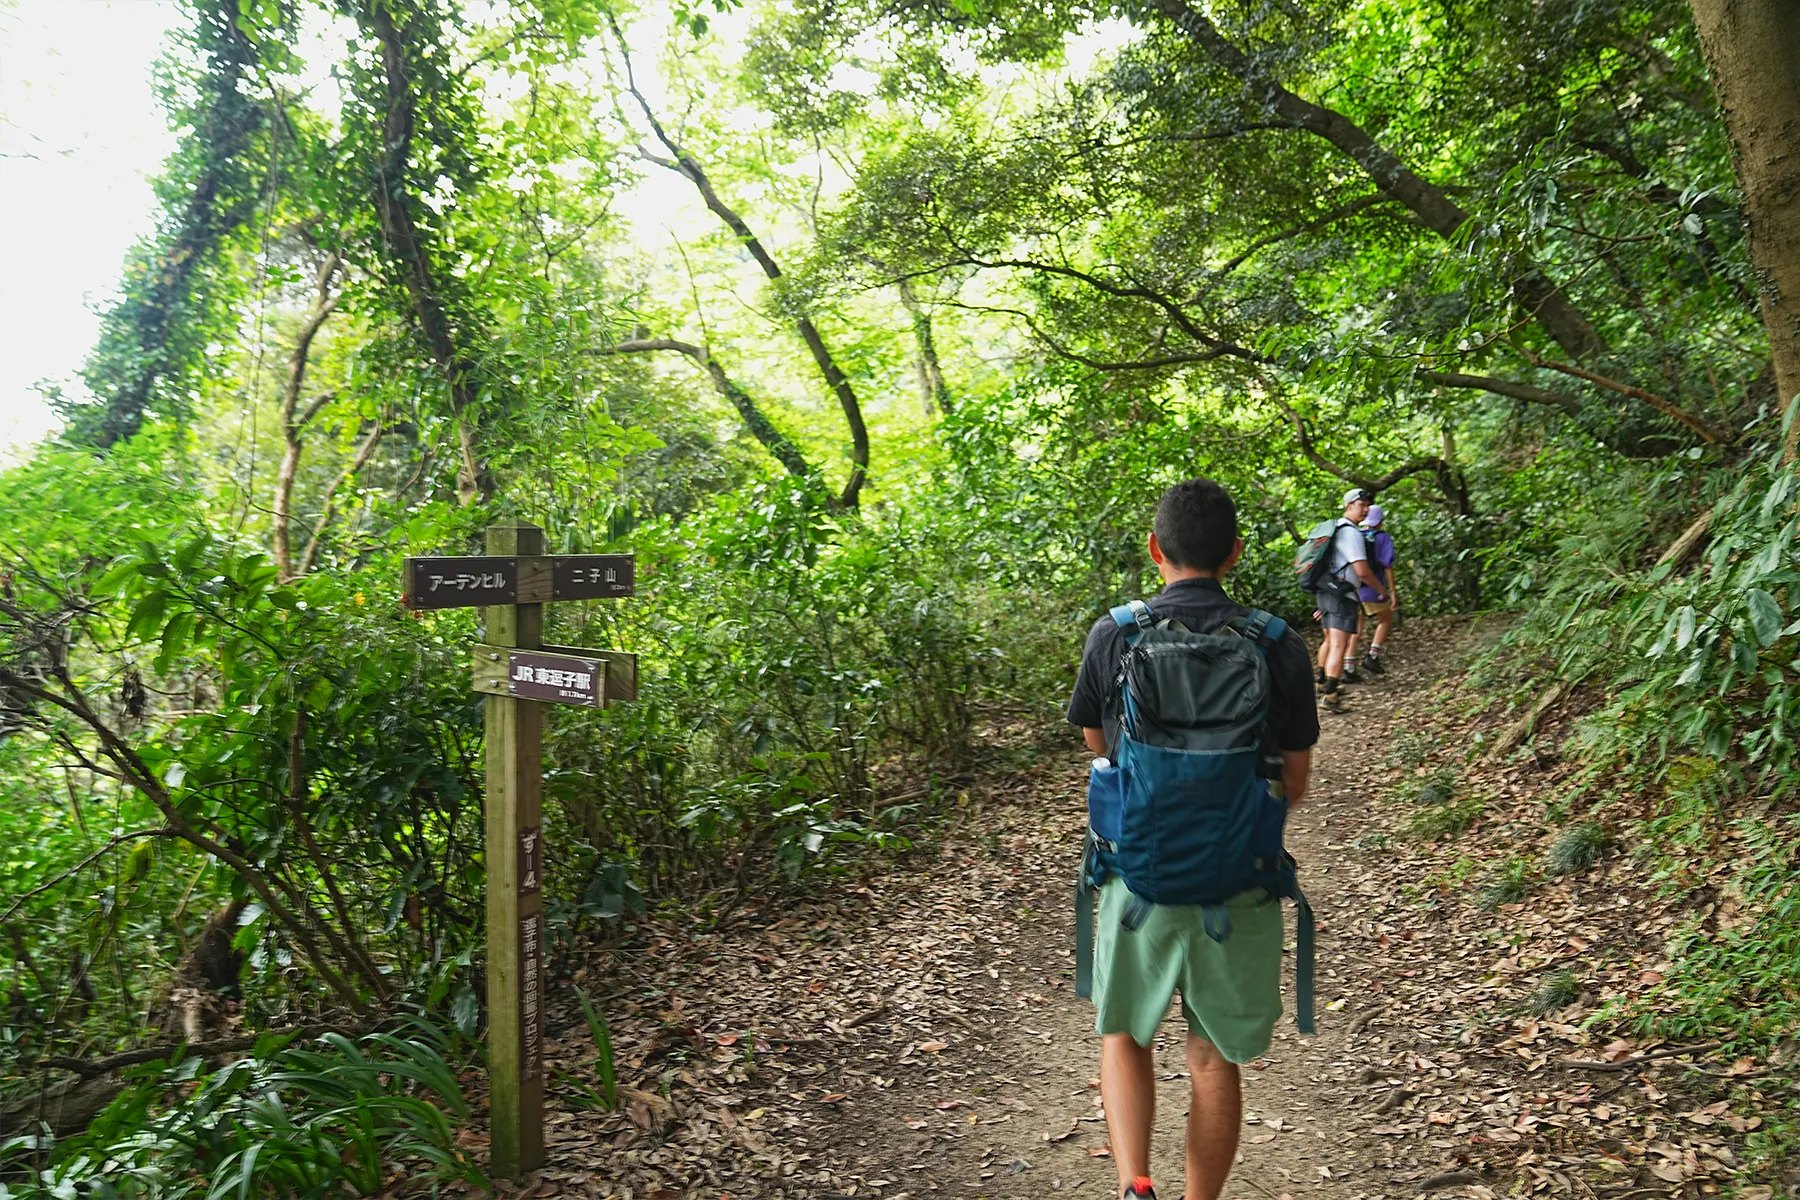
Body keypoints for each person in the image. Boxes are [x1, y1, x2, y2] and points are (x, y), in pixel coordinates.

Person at [1067, 478, 1319, 1200]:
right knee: (1212, 1060)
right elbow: (1294, 779)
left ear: (1155, 550)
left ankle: (1133, 1186)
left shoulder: (1115, 632)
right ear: (1235, 553)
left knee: (1124, 1036)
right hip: (1240, 879)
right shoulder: (1276, 642)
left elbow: (1099, 745)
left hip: (1132, 877)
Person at [1312, 488, 1387, 712]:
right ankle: (1331, 696)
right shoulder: (1351, 533)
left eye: (1367, 506)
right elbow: (1362, 570)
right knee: (1339, 644)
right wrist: (1381, 589)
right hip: (1341, 594)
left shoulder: (1335, 529)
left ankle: (1323, 682)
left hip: (1327, 590)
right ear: (1348, 505)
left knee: (1329, 640)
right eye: (1360, 505)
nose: (1365, 510)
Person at [1344, 504, 1397, 679]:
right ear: (1380, 520)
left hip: (1354, 588)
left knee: (1356, 629)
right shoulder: (1383, 538)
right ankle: (1372, 655)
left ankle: (1348, 667)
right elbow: (1387, 566)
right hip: (1374, 588)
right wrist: (1392, 591)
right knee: (1385, 619)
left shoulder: (1355, 535)